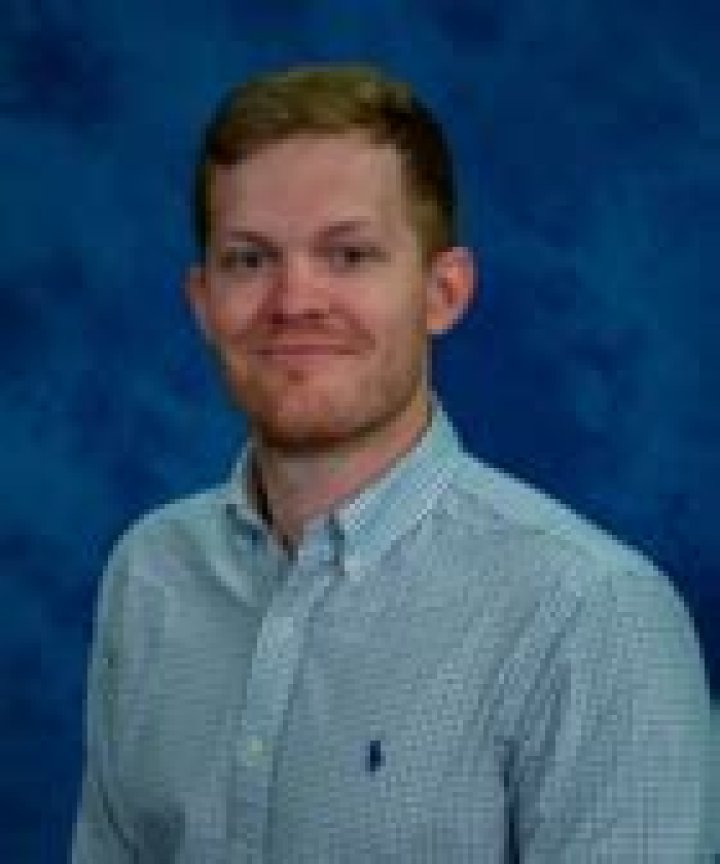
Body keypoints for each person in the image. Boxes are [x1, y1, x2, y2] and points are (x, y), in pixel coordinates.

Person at [72, 64, 711, 862]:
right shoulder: (149, 574)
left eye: (348, 255)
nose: (295, 301)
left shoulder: (590, 615)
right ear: (203, 302)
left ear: (444, 292)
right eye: (249, 260)